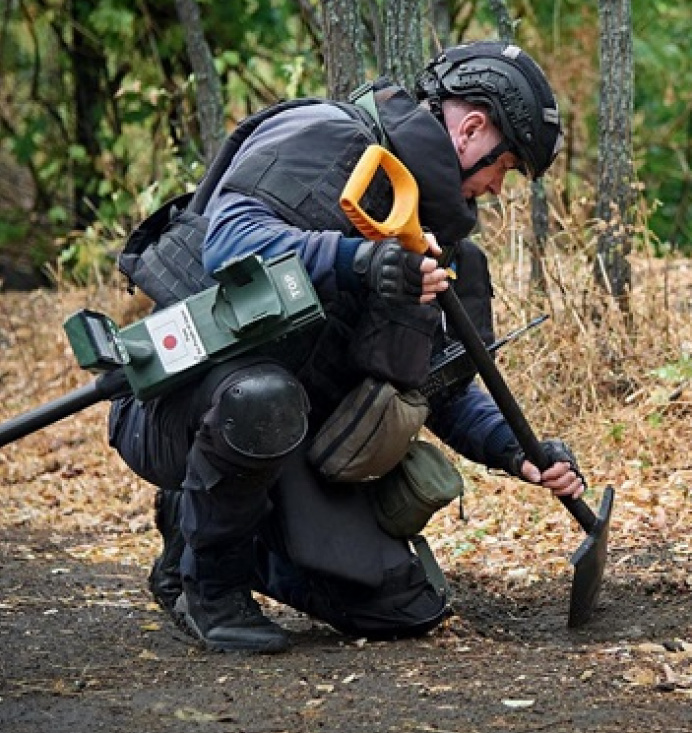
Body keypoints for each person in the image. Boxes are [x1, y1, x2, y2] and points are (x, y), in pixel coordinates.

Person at [108, 41, 585, 654]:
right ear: (472, 129)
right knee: (262, 398)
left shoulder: (447, 252)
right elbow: (229, 240)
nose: (496, 188)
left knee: (403, 605)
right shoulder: (325, 136)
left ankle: (207, 529)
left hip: (290, 442)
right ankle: (211, 589)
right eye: (507, 166)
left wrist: (518, 450)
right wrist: (362, 260)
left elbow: (441, 389)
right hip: (178, 407)